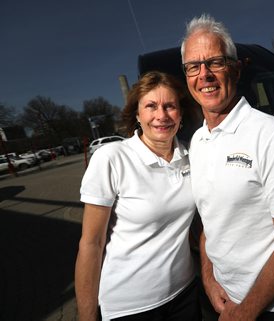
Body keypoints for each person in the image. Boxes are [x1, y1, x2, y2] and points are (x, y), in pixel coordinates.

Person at [181, 14, 274, 321]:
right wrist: (208, 277)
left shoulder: (272, 135)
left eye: (215, 62)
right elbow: (208, 221)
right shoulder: (198, 142)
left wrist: (245, 313)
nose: (204, 75)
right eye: (193, 66)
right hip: (227, 299)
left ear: (235, 68)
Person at [75, 71, 201, 321]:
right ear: (137, 114)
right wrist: (86, 316)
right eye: (151, 106)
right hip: (130, 307)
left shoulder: (192, 156)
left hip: (185, 294)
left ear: (181, 113)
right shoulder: (112, 158)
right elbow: (91, 244)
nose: (161, 115)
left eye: (170, 106)